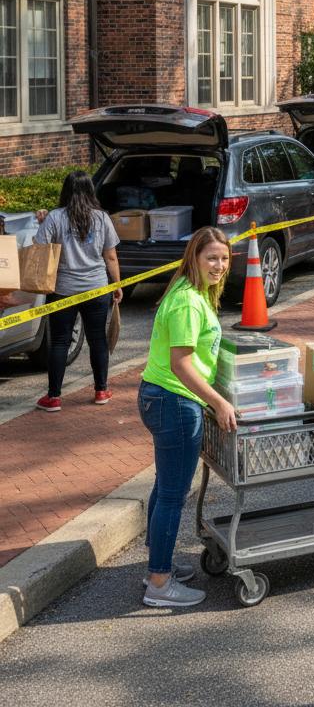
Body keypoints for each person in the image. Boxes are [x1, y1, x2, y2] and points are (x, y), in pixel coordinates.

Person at [139, 226, 237, 608]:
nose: (219, 265)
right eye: (211, 257)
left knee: (164, 488)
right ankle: (159, 584)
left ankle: (155, 567)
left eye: (224, 258)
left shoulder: (191, 293)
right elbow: (181, 365)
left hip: (165, 400)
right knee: (172, 495)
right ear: (194, 257)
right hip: (174, 403)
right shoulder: (186, 302)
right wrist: (218, 402)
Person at [33, 171, 123, 412]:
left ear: (65, 191)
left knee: (60, 342)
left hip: (63, 290)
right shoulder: (102, 218)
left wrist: (43, 224)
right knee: (98, 341)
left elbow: (40, 248)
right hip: (96, 288)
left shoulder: (55, 217)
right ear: (90, 191)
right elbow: (111, 256)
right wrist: (117, 284)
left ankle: (53, 397)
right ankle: (101, 390)